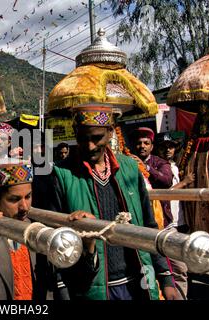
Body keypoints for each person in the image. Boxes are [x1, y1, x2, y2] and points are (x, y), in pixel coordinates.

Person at [33, 105, 179, 300]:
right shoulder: (59, 175)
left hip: (138, 282)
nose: (90, 145)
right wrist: (62, 291)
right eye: (83, 138)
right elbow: (54, 241)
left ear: (110, 132)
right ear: (75, 133)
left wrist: (166, 279)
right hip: (90, 287)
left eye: (96, 138)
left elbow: (148, 226)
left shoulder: (129, 168)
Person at [0, 160, 98, 300]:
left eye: (28, 196)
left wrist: (88, 244)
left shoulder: (43, 232)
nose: (24, 207)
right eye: (14, 199)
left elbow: (80, 285)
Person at [157, 133, 195, 299]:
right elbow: (166, 194)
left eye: (170, 147)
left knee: (181, 266)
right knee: (178, 268)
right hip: (168, 224)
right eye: (164, 147)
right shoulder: (158, 167)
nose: (167, 150)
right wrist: (185, 182)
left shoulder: (175, 166)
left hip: (180, 221)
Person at [130, 127, 173, 228]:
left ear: (152, 147)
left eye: (146, 143)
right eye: (139, 143)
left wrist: (146, 167)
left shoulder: (160, 162)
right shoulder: (128, 162)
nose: (142, 146)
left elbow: (167, 181)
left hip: (160, 214)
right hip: (138, 213)